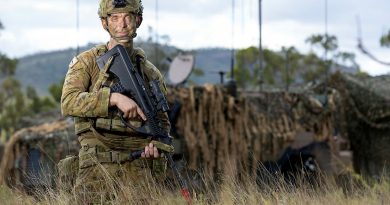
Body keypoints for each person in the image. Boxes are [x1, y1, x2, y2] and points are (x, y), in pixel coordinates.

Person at [61, 0, 171, 202]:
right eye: (114, 17)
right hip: (97, 165)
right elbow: (68, 102)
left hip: (139, 166)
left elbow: (163, 123)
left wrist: (155, 146)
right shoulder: (88, 62)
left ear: (138, 20)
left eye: (128, 17)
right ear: (105, 23)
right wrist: (113, 98)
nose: (122, 24)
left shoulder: (150, 72)